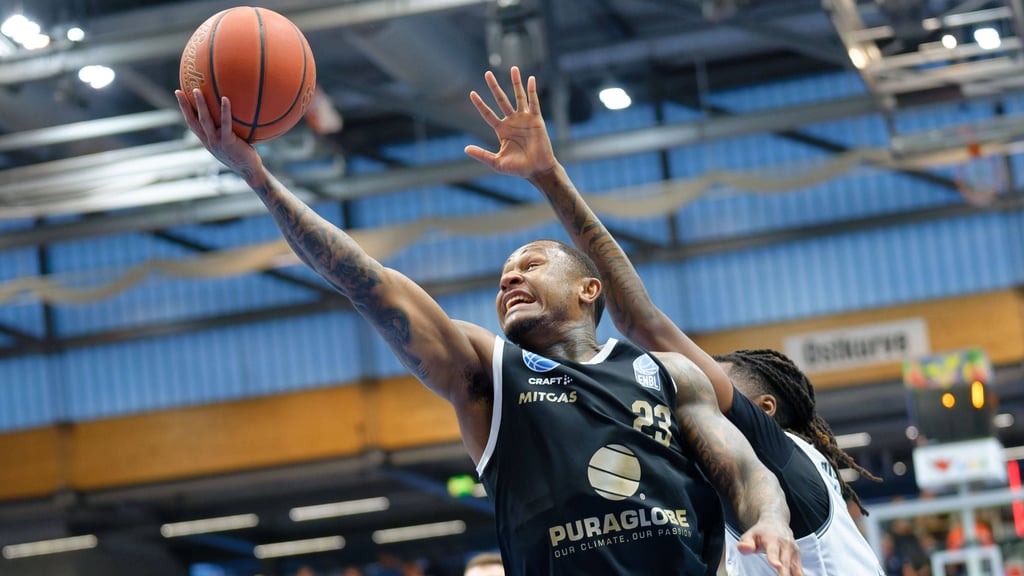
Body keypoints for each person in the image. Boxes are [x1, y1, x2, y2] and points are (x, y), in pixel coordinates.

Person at [176, 77, 802, 575]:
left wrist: (769, 519)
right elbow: (366, 281)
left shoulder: (666, 374)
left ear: (590, 289)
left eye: (530, 264)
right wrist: (258, 177)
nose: (508, 279)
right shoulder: (489, 373)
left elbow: (747, 474)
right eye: (503, 275)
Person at [464, 66, 883, 575]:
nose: (686, 398)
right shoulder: (766, 495)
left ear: (763, 410)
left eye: (715, 384)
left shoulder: (776, 453)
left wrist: (548, 176)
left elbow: (640, 320)